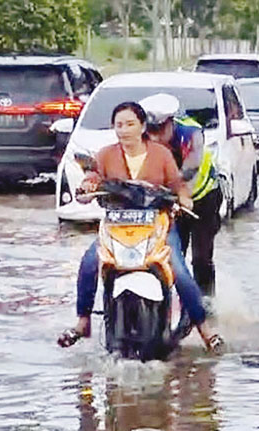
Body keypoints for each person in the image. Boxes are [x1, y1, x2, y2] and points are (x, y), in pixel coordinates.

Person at [57, 101, 223, 353]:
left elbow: (177, 184)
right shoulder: (105, 154)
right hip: (116, 226)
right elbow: (92, 178)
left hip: (157, 225)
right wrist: (88, 187)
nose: (124, 130)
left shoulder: (161, 154)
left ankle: (205, 330)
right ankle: (82, 322)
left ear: (142, 126)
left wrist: (183, 198)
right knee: (90, 262)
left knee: (179, 270)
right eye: (119, 124)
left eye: (130, 124)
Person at [140, 93, 223, 296]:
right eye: (151, 131)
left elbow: (188, 173)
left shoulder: (191, 134)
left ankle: (206, 304)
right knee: (169, 255)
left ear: (170, 123)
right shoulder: (142, 139)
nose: (155, 137)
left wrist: (179, 195)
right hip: (167, 202)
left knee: (201, 258)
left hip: (202, 200)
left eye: (160, 130)